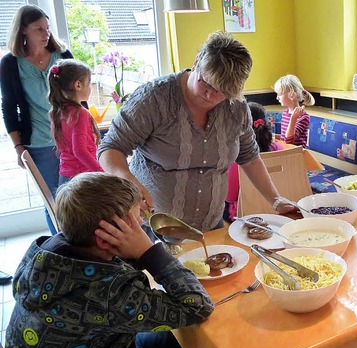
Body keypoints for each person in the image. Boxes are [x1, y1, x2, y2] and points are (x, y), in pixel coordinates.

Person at [3, 172, 213, 348]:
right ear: (105, 239)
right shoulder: (108, 293)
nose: (142, 222)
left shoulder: (47, 252)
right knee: (196, 341)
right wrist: (149, 251)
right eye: (136, 217)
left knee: (178, 339)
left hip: (94, 345)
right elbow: (197, 306)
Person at [98, 31, 295, 232]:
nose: (210, 95)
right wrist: (131, 184)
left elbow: (250, 158)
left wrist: (276, 200)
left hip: (211, 226)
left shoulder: (236, 107)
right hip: (155, 225)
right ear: (196, 62)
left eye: (221, 92)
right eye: (206, 83)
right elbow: (110, 149)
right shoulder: (154, 99)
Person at [0, 4, 79, 235]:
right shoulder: (10, 64)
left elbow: (79, 96)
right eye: (39, 29)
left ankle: (79, 246)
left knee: (75, 195)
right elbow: (8, 107)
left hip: (70, 139)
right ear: (23, 30)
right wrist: (17, 147)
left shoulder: (62, 56)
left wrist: (87, 130)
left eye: (47, 28)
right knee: (52, 199)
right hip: (39, 143)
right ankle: (61, 246)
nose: (46, 34)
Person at [224, 102, 284, 222]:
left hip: (245, 214)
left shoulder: (238, 157)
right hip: (277, 209)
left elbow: (229, 196)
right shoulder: (279, 149)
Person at [48, 59, 103, 187]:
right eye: (89, 83)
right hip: (83, 179)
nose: (90, 88)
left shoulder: (57, 111)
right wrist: (102, 173)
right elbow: (80, 151)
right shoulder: (80, 114)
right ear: (78, 85)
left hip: (66, 177)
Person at [274, 74, 315, 147]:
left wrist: (293, 118)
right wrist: (273, 136)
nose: (277, 98)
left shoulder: (304, 117)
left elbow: (289, 140)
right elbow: (284, 138)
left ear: (292, 95)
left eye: (280, 94)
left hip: (297, 154)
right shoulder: (285, 113)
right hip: (286, 151)